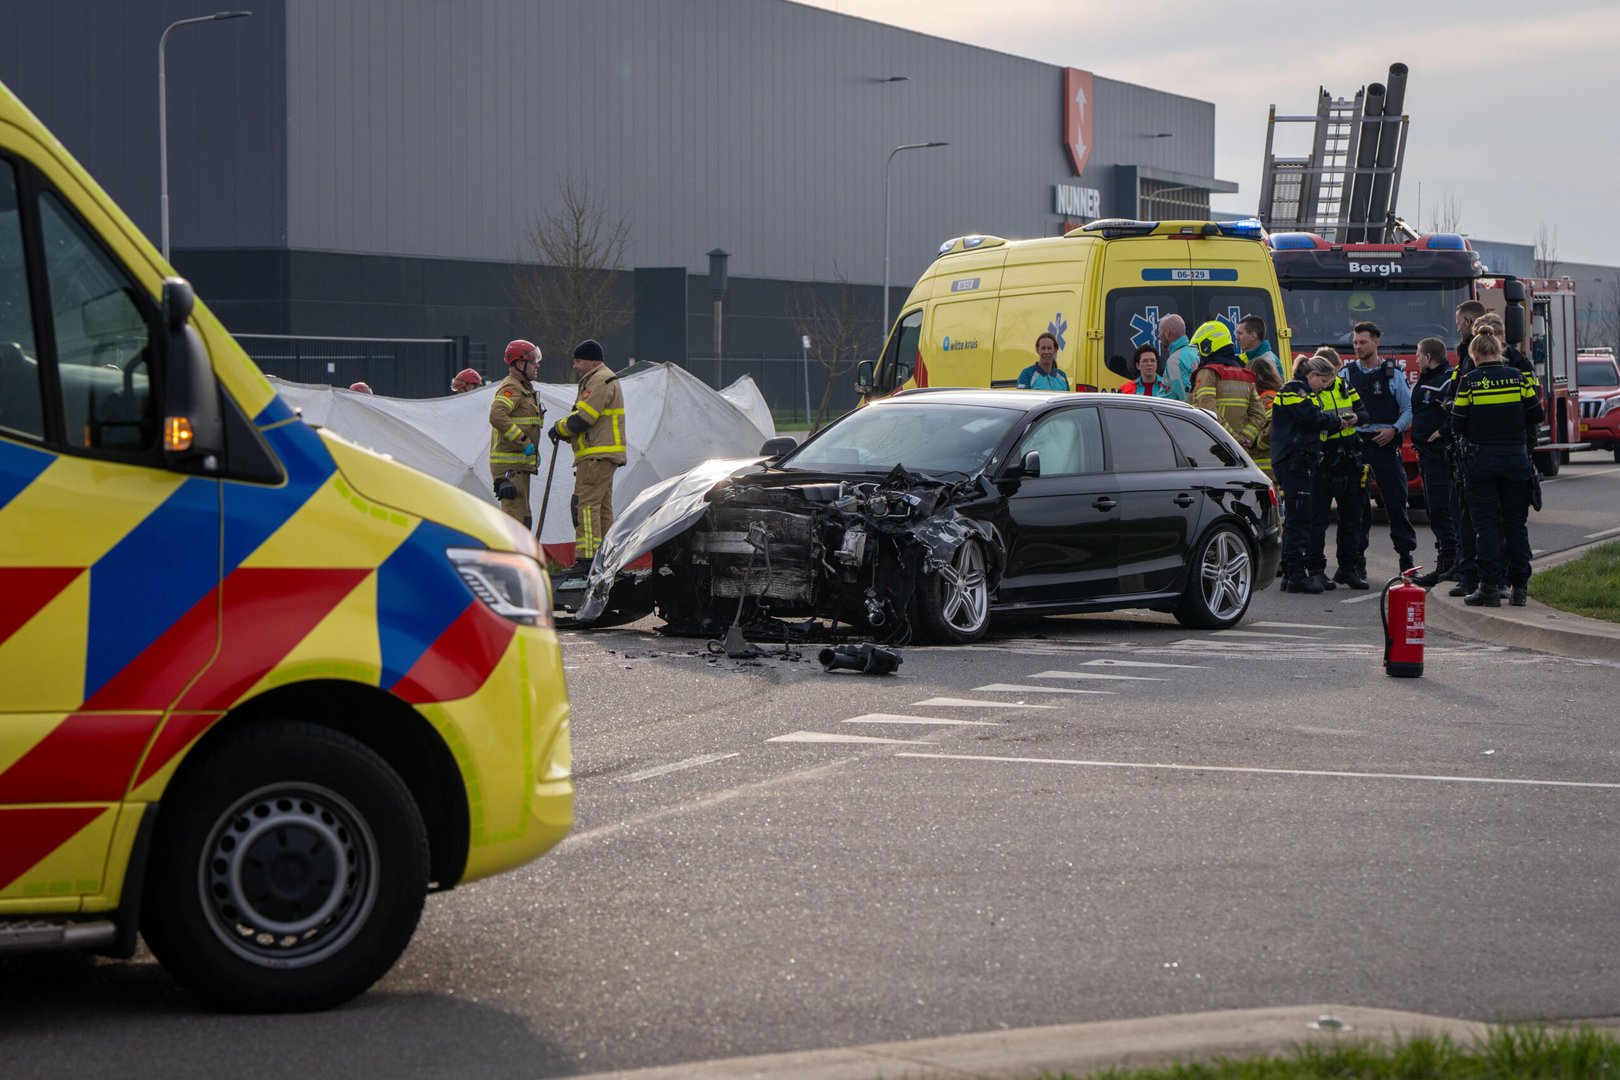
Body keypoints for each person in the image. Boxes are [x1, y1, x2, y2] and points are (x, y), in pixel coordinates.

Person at [1451, 324, 1542, 607]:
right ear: (1499, 351)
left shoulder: (1470, 381)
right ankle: (1519, 589)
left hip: (1482, 462)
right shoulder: (1516, 377)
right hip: (1516, 459)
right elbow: (1536, 413)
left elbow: (1457, 423)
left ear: (1475, 354)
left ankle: (1489, 587)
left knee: (1487, 526)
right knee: (1516, 524)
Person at [1339, 321, 1418, 576]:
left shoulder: (1392, 374)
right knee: (1357, 506)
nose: (1358, 347)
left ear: (1376, 343)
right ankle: (1356, 560)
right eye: (1355, 342)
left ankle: (1406, 559)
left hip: (1384, 444)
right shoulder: (1347, 374)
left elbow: (1408, 410)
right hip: (1358, 444)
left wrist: (1393, 430)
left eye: (1363, 342)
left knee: (1396, 502)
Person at [1274, 354, 1358, 592]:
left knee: (1297, 519)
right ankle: (1297, 575)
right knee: (1299, 520)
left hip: (1301, 462)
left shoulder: (1304, 391)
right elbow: (1309, 417)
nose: (1324, 387)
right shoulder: (1295, 391)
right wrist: (1337, 422)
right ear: (1312, 375)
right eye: (1322, 381)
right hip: (1294, 463)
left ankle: (1291, 574)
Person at [550, 338, 626, 576]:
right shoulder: (601, 378)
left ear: (592, 360)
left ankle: (587, 560)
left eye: (578, 360)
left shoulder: (599, 380)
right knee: (602, 509)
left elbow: (584, 417)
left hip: (595, 456)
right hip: (602, 455)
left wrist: (559, 428)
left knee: (585, 506)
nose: (575, 365)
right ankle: (607, 559)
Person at [1305, 352, 1369, 591]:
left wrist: (1355, 418)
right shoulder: (1311, 391)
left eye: (1331, 377)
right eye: (1325, 377)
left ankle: (1348, 569)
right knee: (1318, 520)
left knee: (1352, 518)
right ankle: (1315, 570)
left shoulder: (1344, 386)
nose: (1329, 381)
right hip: (1323, 460)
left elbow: (1365, 414)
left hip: (1349, 458)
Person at [1409, 337, 1462, 588]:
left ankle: (1450, 561)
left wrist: (1443, 431)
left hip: (1440, 456)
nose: (1416, 359)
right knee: (1434, 510)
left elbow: (1458, 411)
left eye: (1419, 355)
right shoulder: (1430, 378)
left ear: (1429, 357)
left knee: (1442, 510)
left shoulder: (1447, 380)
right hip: (1427, 455)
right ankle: (1446, 561)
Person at [488, 339, 545, 527]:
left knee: (524, 519)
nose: (537, 365)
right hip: (510, 470)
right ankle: (509, 557)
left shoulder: (523, 388)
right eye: (533, 361)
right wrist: (524, 442)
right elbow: (496, 415)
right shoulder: (511, 388)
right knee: (515, 522)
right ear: (520, 364)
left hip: (519, 466)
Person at [1188, 319, 1267, 448]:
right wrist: (1244, 438)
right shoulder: (1245, 375)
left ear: (1209, 345)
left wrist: (1233, 439)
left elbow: (1208, 412)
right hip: (1239, 454)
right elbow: (1259, 415)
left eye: (1200, 347)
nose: (1198, 353)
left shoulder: (1208, 373)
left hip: (1212, 448)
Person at [1157, 313, 1198, 402]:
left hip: (1169, 414)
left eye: (1159, 332)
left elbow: (1186, 399)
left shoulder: (1174, 361)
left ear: (1167, 332)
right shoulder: (1196, 352)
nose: (1159, 336)